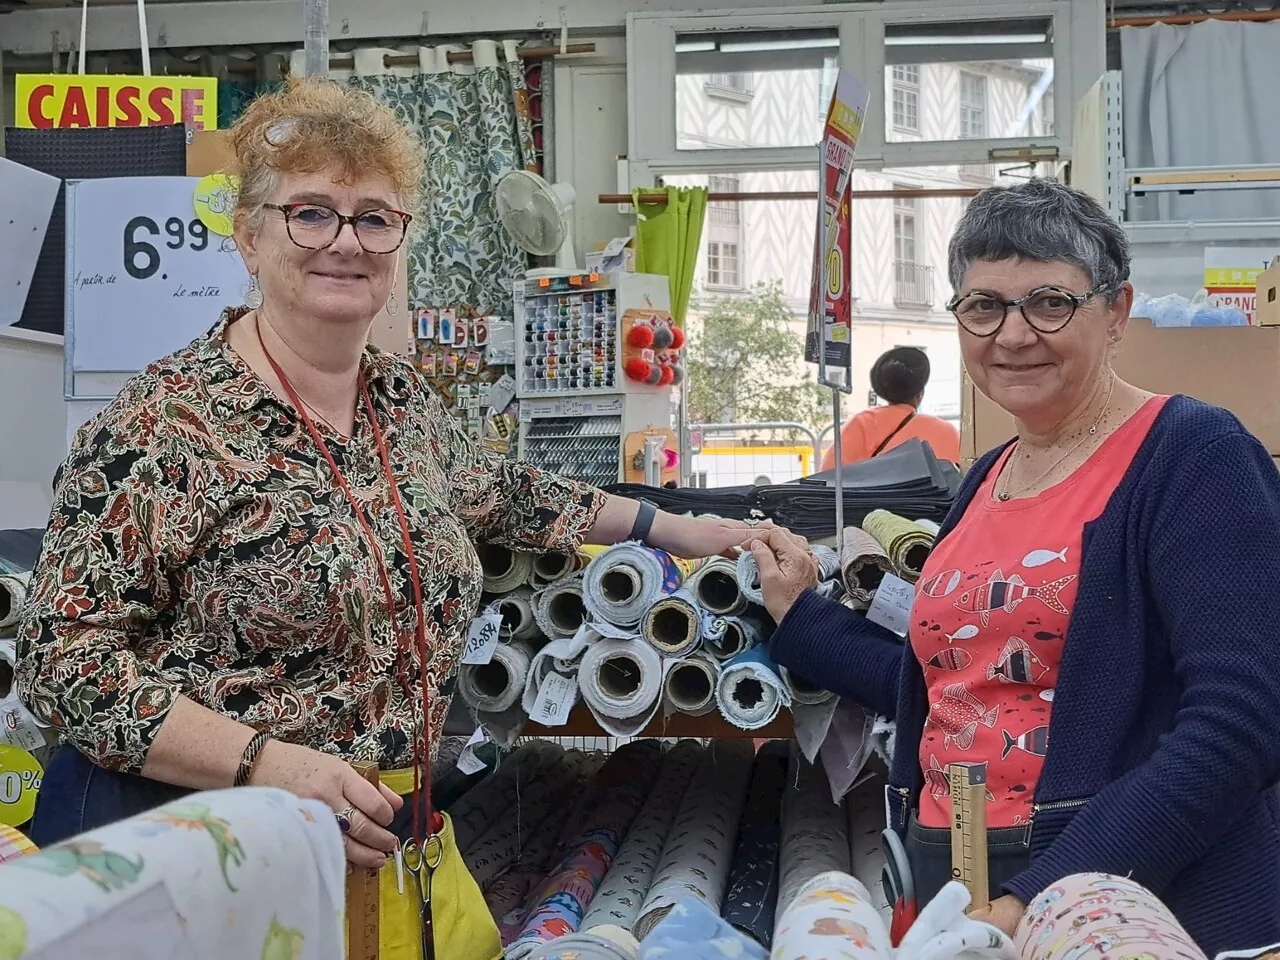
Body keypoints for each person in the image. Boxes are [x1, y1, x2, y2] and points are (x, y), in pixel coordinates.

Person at [15, 79, 763, 869]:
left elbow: (504, 493)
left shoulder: (398, 399)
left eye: (374, 218)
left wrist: (679, 529)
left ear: (400, 246)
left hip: (370, 841)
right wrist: (266, 762)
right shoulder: (162, 426)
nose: (346, 241)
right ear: (247, 237)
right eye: (310, 212)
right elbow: (62, 663)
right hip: (192, 848)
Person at [749, 178, 1280, 953]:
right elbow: (952, 681)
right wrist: (801, 617)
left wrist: (1033, 901)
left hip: (1129, 901)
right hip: (960, 882)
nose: (1013, 333)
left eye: (1050, 302)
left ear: (1117, 311)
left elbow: (1242, 723)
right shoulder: (987, 479)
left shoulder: (1193, 456)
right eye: (983, 306)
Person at [819, 346, 960, 469]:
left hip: (867, 499)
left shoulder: (860, 424)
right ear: (920, 394)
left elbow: (828, 478)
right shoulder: (946, 432)